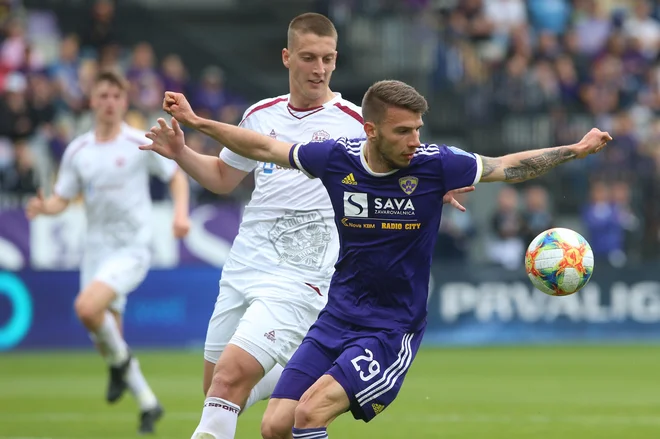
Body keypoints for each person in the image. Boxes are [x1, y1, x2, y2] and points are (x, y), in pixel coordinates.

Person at [143, 79, 612, 439]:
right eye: (403, 131)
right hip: (336, 317)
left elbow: (506, 166)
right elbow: (265, 146)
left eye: (417, 130)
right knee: (274, 426)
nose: (414, 140)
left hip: (390, 329)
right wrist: (198, 125)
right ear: (371, 130)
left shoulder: (436, 165)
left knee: (309, 414)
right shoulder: (336, 159)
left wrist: (576, 149)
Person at [136, 13, 469, 439]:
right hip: (244, 265)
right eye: (309, 57)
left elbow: (408, 164)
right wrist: (181, 153)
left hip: (303, 275)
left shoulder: (355, 121)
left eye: (328, 58)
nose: (320, 68)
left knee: (228, 380)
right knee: (218, 393)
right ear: (286, 57)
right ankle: (297, 377)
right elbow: (223, 177)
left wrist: (432, 190)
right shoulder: (259, 115)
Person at [25, 69, 191, 434]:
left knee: (86, 307)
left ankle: (120, 366)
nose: (110, 103)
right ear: (92, 101)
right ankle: (148, 402)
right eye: (103, 96)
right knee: (104, 331)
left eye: (116, 97)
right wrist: (44, 208)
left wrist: (180, 215)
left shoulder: (137, 140)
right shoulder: (78, 150)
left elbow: (176, 175)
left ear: (124, 101)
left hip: (132, 248)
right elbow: (62, 199)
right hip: (95, 252)